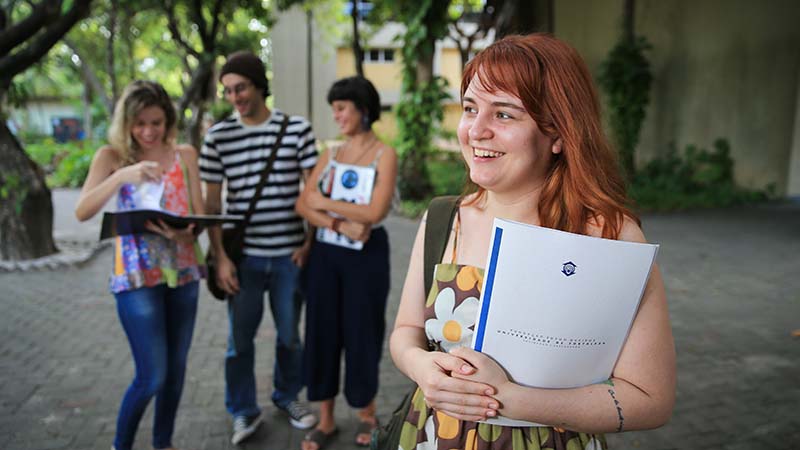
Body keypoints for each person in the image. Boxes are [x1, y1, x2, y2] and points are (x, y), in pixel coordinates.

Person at [389, 34, 676, 449]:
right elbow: (406, 330)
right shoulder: (443, 217)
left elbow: (650, 399)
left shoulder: (609, 236)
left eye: (504, 115)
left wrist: (509, 399)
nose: (476, 131)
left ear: (557, 133)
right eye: (470, 109)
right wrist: (422, 368)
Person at [74, 80, 206, 450]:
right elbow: (82, 211)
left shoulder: (185, 155)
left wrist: (189, 233)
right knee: (153, 375)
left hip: (182, 271)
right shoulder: (111, 157)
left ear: (168, 121)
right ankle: (122, 445)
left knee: (176, 372)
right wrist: (120, 177)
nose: (148, 131)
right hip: (136, 275)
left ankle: (162, 444)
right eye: (140, 123)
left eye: (156, 122)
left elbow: (197, 213)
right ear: (127, 122)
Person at [200, 50, 319, 445]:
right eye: (228, 90)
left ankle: (288, 397)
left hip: (289, 255)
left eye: (242, 87)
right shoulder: (218, 137)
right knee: (239, 342)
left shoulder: (297, 129)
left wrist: (309, 242)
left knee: (289, 336)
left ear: (258, 85)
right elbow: (212, 206)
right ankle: (243, 411)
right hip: (243, 258)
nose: (235, 97)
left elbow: (313, 191)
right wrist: (220, 259)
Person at [295, 76, 398, 450]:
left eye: (342, 108)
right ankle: (324, 421)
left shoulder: (384, 154)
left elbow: (375, 210)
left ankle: (367, 415)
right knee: (321, 332)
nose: (336, 116)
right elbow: (302, 204)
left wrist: (325, 203)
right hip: (326, 254)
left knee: (362, 331)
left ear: (362, 109)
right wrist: (341, 222)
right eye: (334, 109)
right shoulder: (331, 154)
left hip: (366, 257)